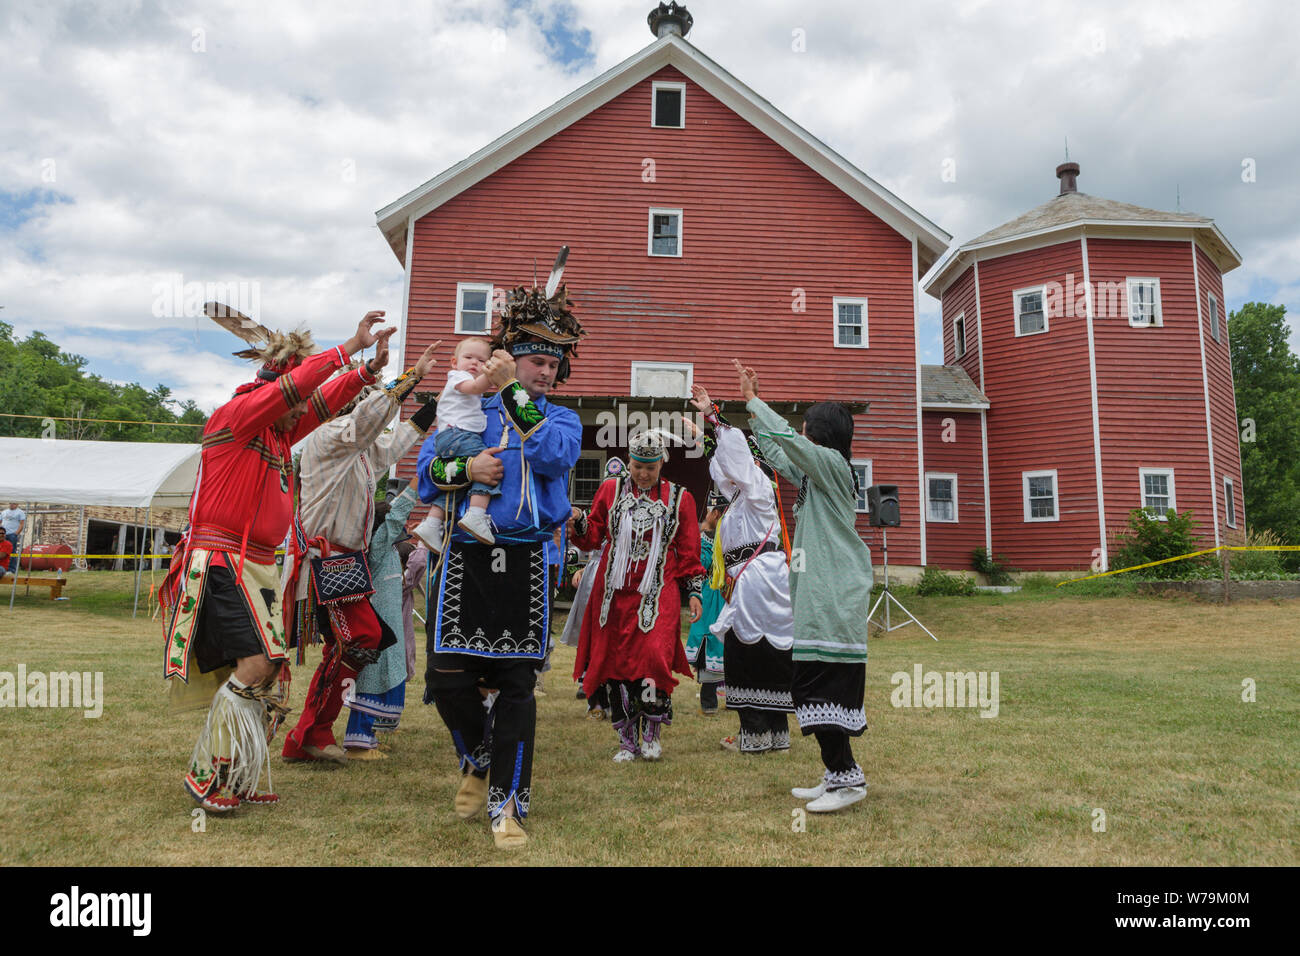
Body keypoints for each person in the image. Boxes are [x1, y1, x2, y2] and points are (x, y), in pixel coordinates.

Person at [161, 305, 394, 813]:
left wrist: (367, 372)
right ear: (279, 387)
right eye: (295, 397)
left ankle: (239, 776)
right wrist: (348, 348)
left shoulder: (277, 432)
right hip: (221, 559)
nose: (301, 409)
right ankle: (208, 777)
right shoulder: (237, 417)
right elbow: (299, 392)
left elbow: (321, 401)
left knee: (273, 673)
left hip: (261, 565)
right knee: (257, 664)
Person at [418, 274, 584, 850]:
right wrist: (468, 473)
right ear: (511, 358)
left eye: (551, 365)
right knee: (445, 677)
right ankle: (479, 756)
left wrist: (514, 394)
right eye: (534, 360)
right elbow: (426, 473)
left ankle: (507, 806)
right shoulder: (468, 406)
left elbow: (554, 455)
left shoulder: (560, 418)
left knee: (517, 685)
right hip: (466, 551)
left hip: (530, 558)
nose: (544, 371)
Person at [281, 339, 441, 764]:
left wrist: (432, 409)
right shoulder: (330, 434)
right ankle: (308, 733)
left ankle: (308, 735)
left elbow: (389, 445)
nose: (369, 405)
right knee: (362, 638)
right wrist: (414, 378)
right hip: (326, 556)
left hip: (344, 559)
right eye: (362, 397)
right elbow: (373, 424)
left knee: (355, 641)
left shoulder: (357, 445)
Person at [735, 358, 874, 812]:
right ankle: (838, 774)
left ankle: (848, 780)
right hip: (818, 597)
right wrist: (749, 414)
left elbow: (791, 443)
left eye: (806, 426)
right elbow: (779, 454)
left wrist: (756, 399)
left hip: (834, 595)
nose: (802, 430)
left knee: (820, 688)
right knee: (810, 687)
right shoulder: (817, 477)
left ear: (822, 433)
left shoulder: (833, 467)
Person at [568, 429, 705, 764]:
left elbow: (688, 549)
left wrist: (694, 593)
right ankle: (626, 738)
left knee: (653, 657)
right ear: (629, 462)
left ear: (662, 465)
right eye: (637, 466)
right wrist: (582, 521)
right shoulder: (610, 490)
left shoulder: (679, 498)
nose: (643, 474)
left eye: (651, 467)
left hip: (660, 591)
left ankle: (652, 734)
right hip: (613, 593)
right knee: (616, 663)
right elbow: (594, 537)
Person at [340, 483, 423, 757]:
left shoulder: (381, 549)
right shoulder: (377, 546)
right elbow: (397, 514)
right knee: (373, 677)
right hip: (379, 626)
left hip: (386, 625)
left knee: (384, 674)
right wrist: (415, 485)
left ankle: (368, 736)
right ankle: (358, 742)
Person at [412, 338, 500, 550]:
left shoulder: (467, 390)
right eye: (468, 357)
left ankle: (432, 524)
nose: (474, 363)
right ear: (454, 362)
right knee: (488, 466)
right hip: (459, 435)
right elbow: (477, 385)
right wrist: (496, 372)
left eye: (481, 360)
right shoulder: (458, 377)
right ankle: (476, 515)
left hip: (451, 436)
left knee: (457, 486)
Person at [685, 489, 728, 716]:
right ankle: (709, 700)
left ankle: (729, 697)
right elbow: (697, 567)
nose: (707, 515)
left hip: (721, 595)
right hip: (712, 595)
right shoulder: (703, 539)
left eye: (712, 511)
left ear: (717, 514)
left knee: (725, 641)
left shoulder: (722, 537)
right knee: (710, 640)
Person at [2, 503, 25, 575]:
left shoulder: (20, 512)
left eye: (14, 503)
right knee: (2, 551)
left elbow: (22, 524)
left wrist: (16, 534)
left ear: (17, 504)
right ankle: (3, 568)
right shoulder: (4, 512)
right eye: (11, 503)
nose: (12, 505)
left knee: (12, 552)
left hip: (12, 534)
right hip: (3, 534)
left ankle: (11, 570)